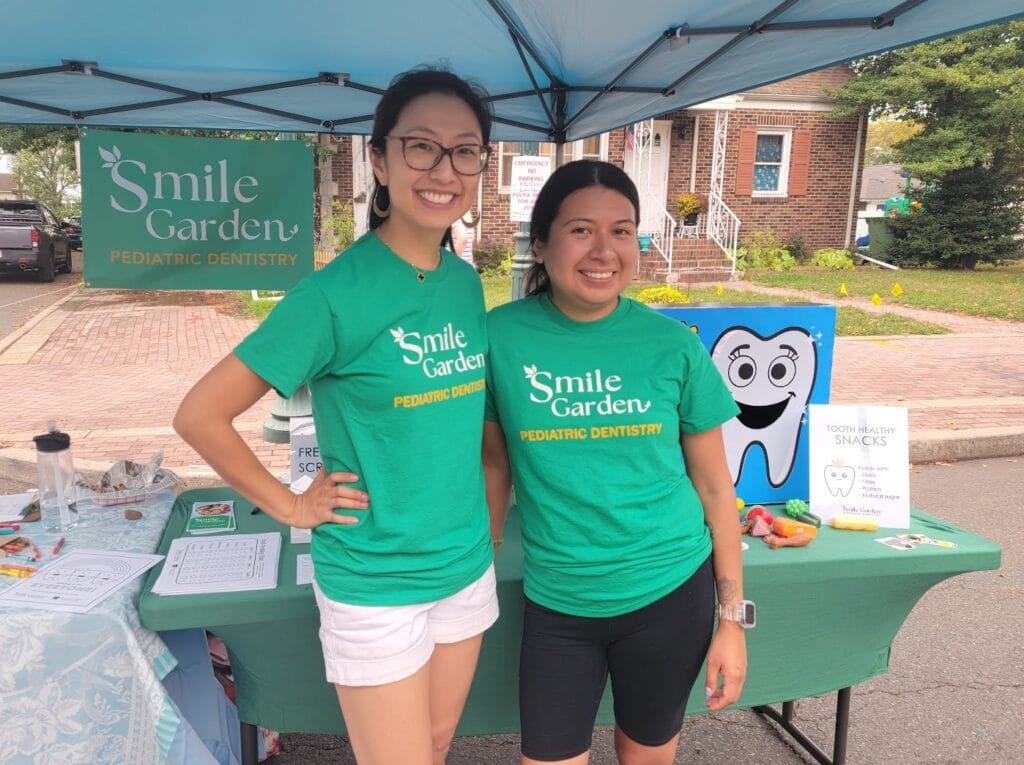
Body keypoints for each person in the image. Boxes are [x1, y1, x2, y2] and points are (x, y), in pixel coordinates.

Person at [174, 68, 499, 765]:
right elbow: (201, 414)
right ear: (379, 159)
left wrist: (488, 523)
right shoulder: (331, 296)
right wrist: (289, 504)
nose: (444, 169)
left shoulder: (466, 285)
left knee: (438, 743)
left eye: (465, 150)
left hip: (464, 566)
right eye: (421, 147)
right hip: (375, 581)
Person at [482, 160, 748, 765]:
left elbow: (713, 487)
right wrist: (479, 557)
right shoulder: (499, 337)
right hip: (559, 602)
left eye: (622, 230)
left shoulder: (673, 344)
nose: (604, 250)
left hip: (671, 592)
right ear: (542, 244)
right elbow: (494, 469)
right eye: (581, 230)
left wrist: (732, 622)